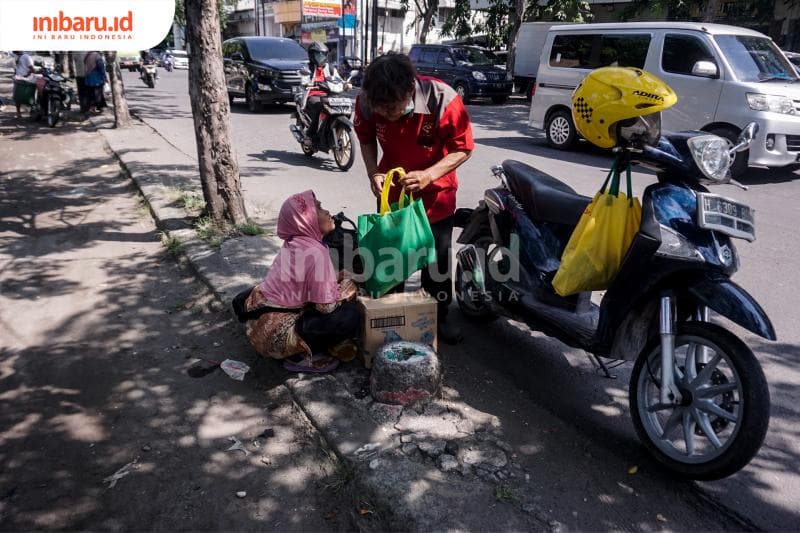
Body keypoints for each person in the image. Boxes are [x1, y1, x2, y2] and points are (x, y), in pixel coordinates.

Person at [353, 52, 474, 344]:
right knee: (391, 258)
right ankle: (391, 316)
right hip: (393, 194)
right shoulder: (368, 102)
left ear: (410, 90)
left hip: (436, 196)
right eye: (381, 110)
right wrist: (373, 173)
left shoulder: (442, 98)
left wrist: (429, 175)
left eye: (392, 109)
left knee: (436, 262)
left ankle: (439, 316)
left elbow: (464, 148)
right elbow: (366, 137)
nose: (386, 115)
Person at [238, 190, 361, 373]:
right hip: (277, 338)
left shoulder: (295, 242)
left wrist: (334, 278)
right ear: (306, 220)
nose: (327, 212)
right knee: (350, 315)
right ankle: (300, 357)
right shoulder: (316, 252)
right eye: (318, 207)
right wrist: (348, 290)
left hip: (258, 322)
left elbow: (301, 284)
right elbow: (326, 307)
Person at [302, 42, 343, 142]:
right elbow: (304, 80)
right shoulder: (307, 68)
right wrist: (308, 84)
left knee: (342, 107)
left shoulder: (330, 68)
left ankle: (338, 127)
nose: (321, 57)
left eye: (323, 55)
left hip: (329, 94)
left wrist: (346, 84)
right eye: (318, 55)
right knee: (320, 107)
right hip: (313, 95)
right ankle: (310, 134)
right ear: (312, 55)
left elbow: (338, 79)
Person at [12, 51, 35, 118]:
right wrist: (15, 75)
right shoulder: (17, 56)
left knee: (28, 97)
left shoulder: (26, 57)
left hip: (25, 80)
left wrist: (26, 76)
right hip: (18, 79)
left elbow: (32, 69)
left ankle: (31, 111)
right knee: (17, 97)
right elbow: (17, 68)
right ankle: (18, 113)